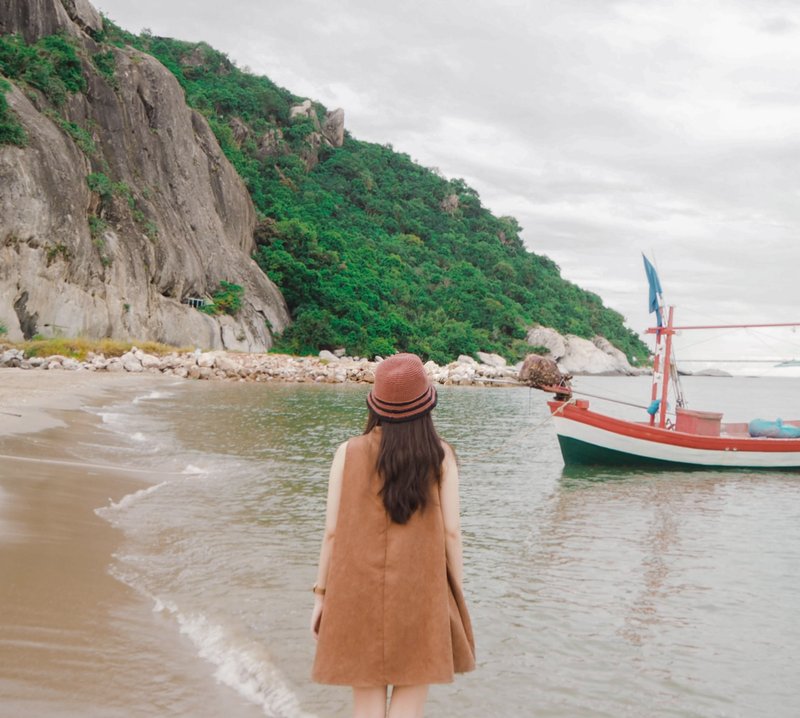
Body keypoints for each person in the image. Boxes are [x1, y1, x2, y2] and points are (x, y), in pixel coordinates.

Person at [310, 353, 475, 718]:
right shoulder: (441, 456)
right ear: (426, 405)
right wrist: (454, 595)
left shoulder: (347, 452)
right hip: (421, 593)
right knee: (408, 706)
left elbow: (333, 534)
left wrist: (321, 596)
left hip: (357, 593)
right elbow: (451, 532)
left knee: (366, 707)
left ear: (376, 405)